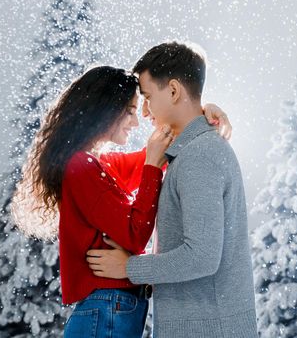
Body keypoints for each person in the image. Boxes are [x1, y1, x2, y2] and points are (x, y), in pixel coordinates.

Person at [12, 65, 231, 338]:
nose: (136, 121)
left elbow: (157, 151)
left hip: (110, 309)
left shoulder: (96, 165)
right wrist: (152, 164)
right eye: (129, 111)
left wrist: (200, 113)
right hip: (107, 310)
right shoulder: (81, 167)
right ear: (104, 110)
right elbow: (135, 235)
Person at [86, 42, 259, 338]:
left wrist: (129, 267)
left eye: (148, 97)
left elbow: (202, 256)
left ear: (175, 91)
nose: (144, 110)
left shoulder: (199, 155)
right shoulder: (191, 151)